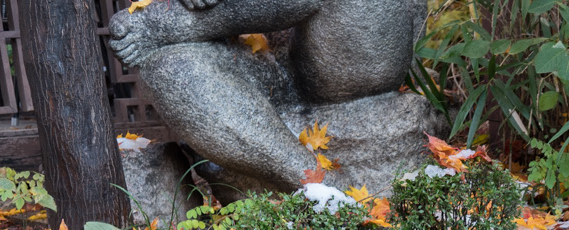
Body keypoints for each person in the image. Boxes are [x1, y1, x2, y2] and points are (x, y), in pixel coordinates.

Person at [108, 0, 427, 191]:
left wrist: (160, 24)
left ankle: (324, 188)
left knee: (167, 59)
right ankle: (315, 182)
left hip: (346, 81)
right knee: (170, 68)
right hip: (291, 71)